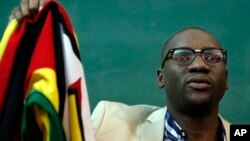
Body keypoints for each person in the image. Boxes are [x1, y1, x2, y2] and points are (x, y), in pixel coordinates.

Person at [10, 0, 230, 141]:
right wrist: (28, 44)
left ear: (226, 79)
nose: (199, 65)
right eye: (182, 56)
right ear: (160, 77)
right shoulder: (109, 121)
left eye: (213, 57)